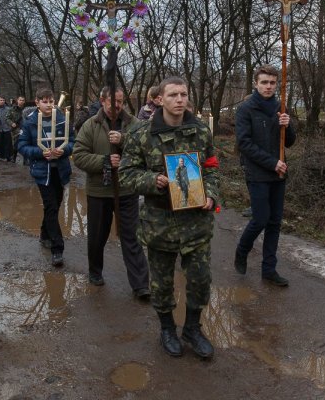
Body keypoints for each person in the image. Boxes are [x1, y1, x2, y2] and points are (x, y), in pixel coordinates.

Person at [119, 76, 220, 359]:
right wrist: (154, 180)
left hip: (196, 223)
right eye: (173, 95)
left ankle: (192, 328)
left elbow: (212, 168)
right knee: (162, 282)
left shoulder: (200, 131)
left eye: (184, 94)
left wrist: (210, 194)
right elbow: (126, 174)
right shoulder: (141, 134)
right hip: (160, 221)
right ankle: (166, 329)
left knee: (200, 279)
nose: (179, 100)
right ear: (159, 99)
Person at [72, 86, 150, 298]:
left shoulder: (133, 124)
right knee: (97, 237)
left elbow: (147, 150)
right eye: (112, 101)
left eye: (120, 101)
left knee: (132, 237)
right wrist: (104, 161)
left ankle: (141, 284)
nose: (117, 105)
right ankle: (95, 272)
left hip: (127, 190)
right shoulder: (91, 125)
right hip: (99, 191)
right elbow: (78, 155)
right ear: (102, 100)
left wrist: (124, 141)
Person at [234, 64, 296, 287]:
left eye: (272, 83)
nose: (268, 86)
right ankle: (242, 250)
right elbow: (244, 144)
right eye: (264, 82)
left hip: (279, 172)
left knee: (275, 222)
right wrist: (272, 163)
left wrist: (287, 126)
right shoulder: (246, 109)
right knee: (260, 219)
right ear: (256, 84)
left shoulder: (280, 107)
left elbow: (289, 142)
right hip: (258, 172)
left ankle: (269, 270)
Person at [17, 87, 74, 267]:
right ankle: (57, 249)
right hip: (43, 172)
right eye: (45, 101)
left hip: (60, 170)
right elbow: (21, 146)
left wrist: (63, 150)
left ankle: (44, 234)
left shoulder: (62, 119)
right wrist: (41, 153)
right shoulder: (30, 123)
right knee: (50, 206)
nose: (49, 105)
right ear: (37, 103)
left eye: (51, 101)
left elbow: (72, 141)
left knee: (55, 206)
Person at [7, 95, 26, 162]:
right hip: (15, 129)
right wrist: (11, 123)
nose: (21, 101)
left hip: (25, 128)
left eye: (23, 100)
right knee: (15, 144)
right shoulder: (12, 109)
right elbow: (7, 118)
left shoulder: (26, 110)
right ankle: (14, 157)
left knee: (25, 143)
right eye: (20, 100)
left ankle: (25, 159)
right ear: (17, 100)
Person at [0, 96, 13, 161]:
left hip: (6, 128)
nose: (2, 101)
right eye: (1, 100)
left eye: (3, 100)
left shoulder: (8, 109)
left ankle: (8, 156)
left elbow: (11, 118)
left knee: (7, 144)